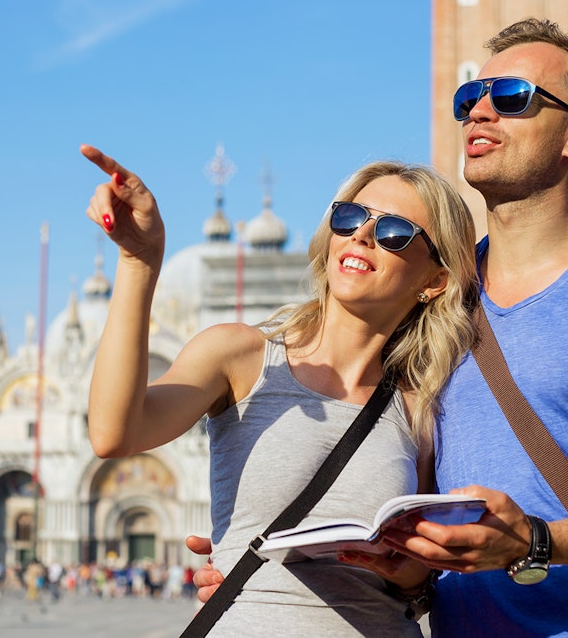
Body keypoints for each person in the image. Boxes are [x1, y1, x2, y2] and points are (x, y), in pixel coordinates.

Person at [192, 18, 568, 637]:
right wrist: (281, 560)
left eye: (511, 99)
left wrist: (538, 542)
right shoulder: (429, 287)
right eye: (470, 98)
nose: (479, 113)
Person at [81, 143, 478, 635]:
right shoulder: (240, 356)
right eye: (350, 217)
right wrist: (139, 263)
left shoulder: (423, 404)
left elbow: (422, 575)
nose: (363, 235)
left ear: (435, 280)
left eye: (395, 232)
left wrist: (412, 572)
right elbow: (113, 433)